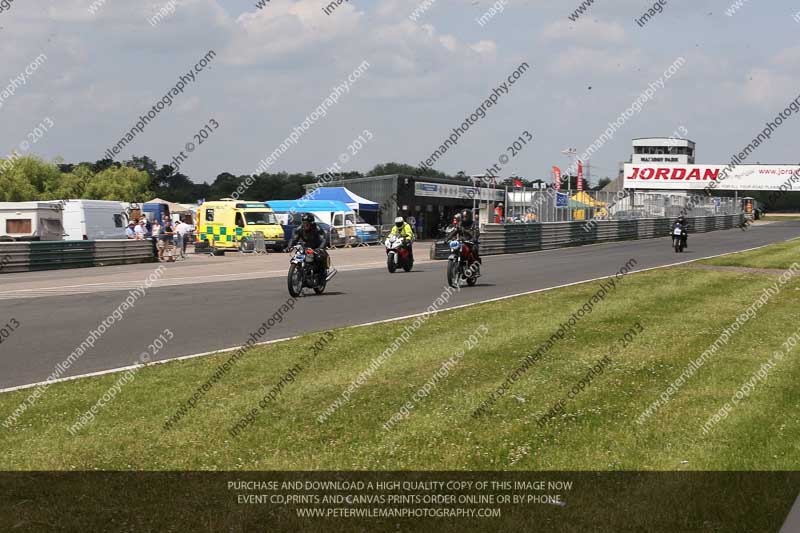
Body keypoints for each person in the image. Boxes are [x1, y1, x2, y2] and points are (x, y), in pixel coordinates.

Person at [290, 213, 329, 278]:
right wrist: (289, 246)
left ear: (311, 223)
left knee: (321, 256)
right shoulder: (299, 229)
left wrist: (320, 248)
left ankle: (323, 273)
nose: (305, 225)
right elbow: (294, 239)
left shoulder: (317, 228)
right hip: (305, 247)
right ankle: (300, 271)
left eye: (307, 223)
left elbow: (324, 239)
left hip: (317, 247)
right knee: (297, 255)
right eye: (304, 223)